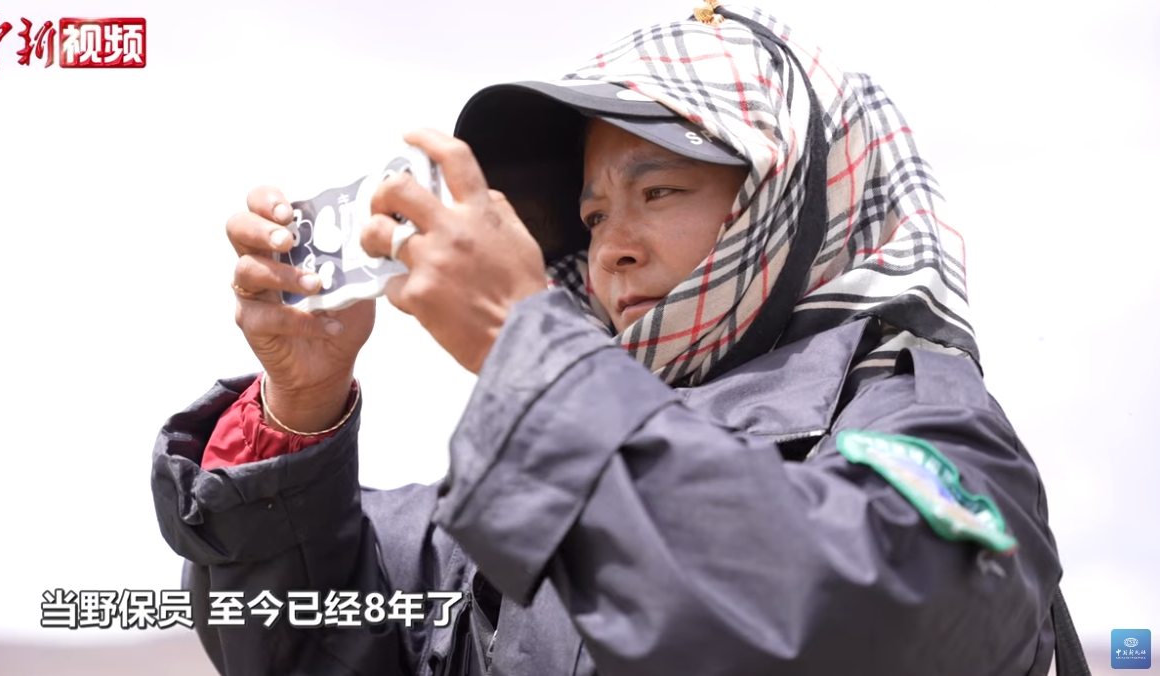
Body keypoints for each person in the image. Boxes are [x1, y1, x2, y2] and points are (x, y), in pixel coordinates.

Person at [151, 4, 1082, 675]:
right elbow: (304, 640)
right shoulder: (531, 478)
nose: (614, 246)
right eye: (593, 216)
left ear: (792, 200)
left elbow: (861, 622)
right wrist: (299, 410)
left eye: (660, 192)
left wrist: (530, 349)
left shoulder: (922, 420)